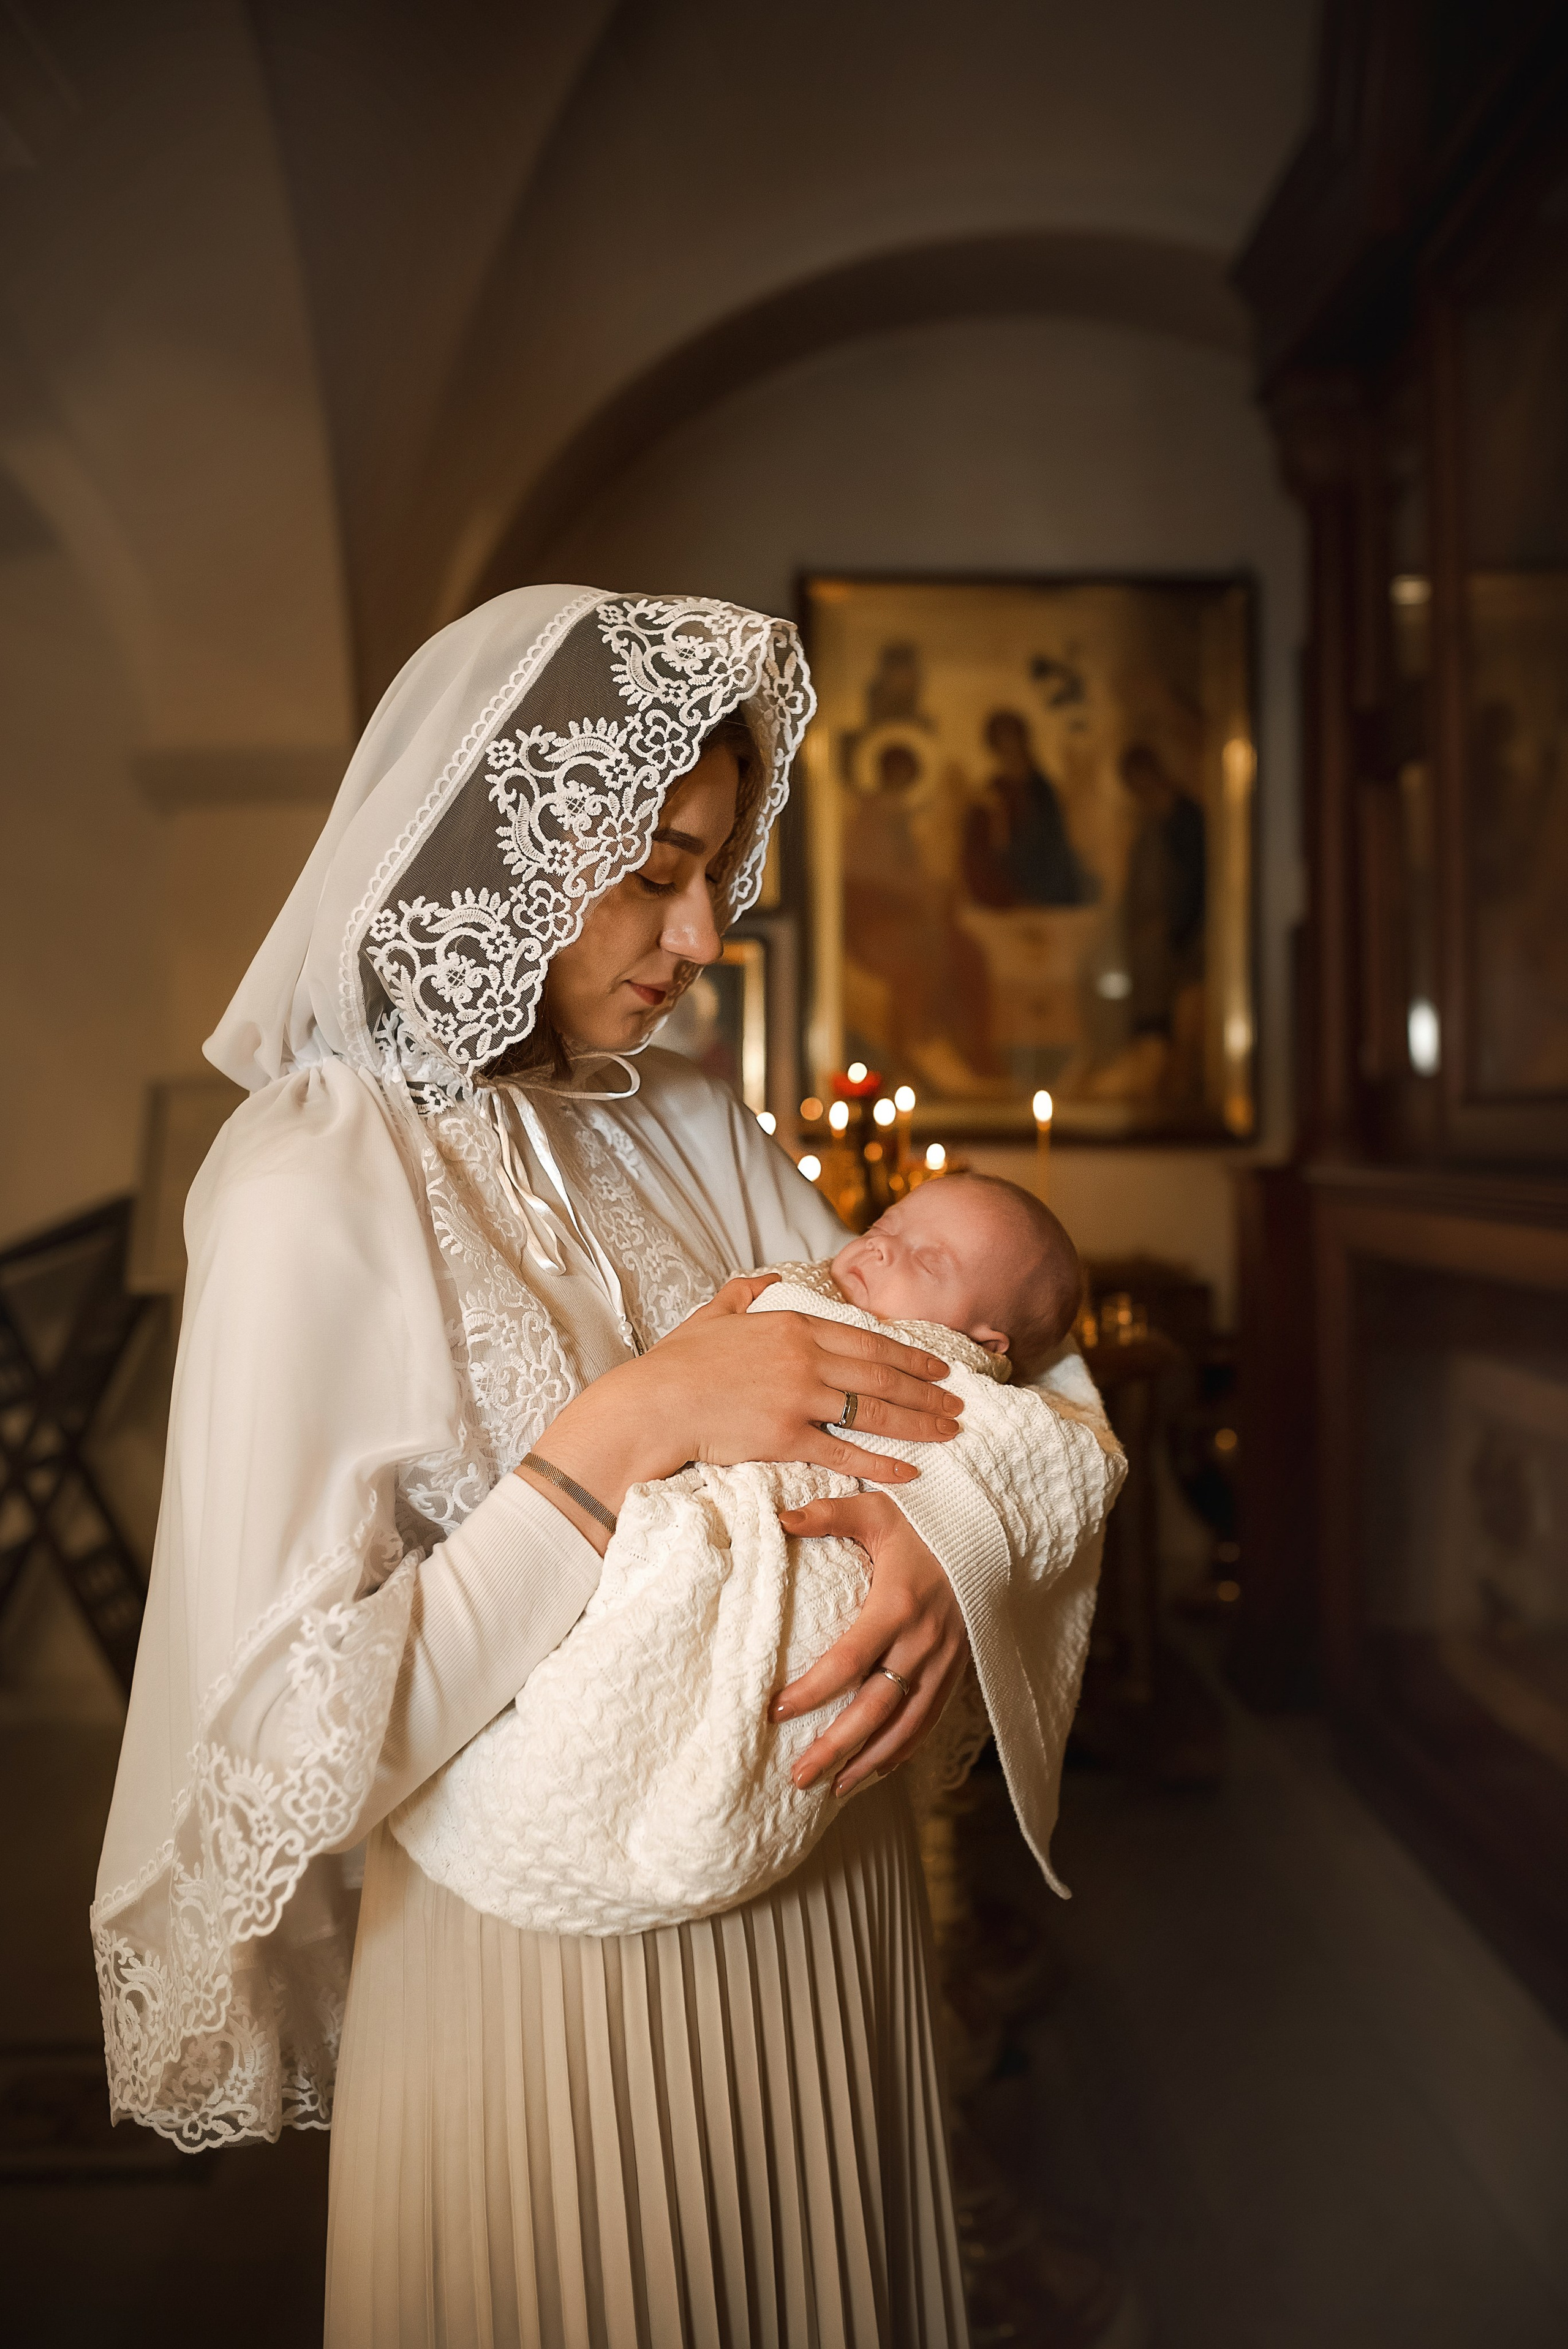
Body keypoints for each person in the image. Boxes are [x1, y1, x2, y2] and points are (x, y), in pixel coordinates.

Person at [92, 586, 1119, 2348]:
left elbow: (1017, 1397)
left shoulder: (692, 1117)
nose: (705, 932)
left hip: (828, 1929)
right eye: (655, 871)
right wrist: (620, 1432)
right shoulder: (309, 1185)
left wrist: (947, 1550)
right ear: (499, 842)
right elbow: (280, 1753)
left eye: (717, 867)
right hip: (546, 1983)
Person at [397, 1174, 1115, 1939]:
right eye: (883, 1223)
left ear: (984, 1346)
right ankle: (546, 1789)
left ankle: (663, 1807)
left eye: (926, 1261)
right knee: (641, 1641)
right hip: (666, 1545)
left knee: (726, 1718)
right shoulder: (799, 1293)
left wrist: (957, 1535)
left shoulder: (979, 1393)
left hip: (831, 1710)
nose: (875, 1245)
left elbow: (1062, 1464)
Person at [962, 709, 1094, 909]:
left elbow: (1055, 843)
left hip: (1046, 889)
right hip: (1003, 894)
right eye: (1001, 740)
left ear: (1023, 741)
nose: (1008, 746)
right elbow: (976, 851)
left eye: (1012, 738)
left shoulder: (1042, 790)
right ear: (994, 746)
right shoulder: (989, 792)